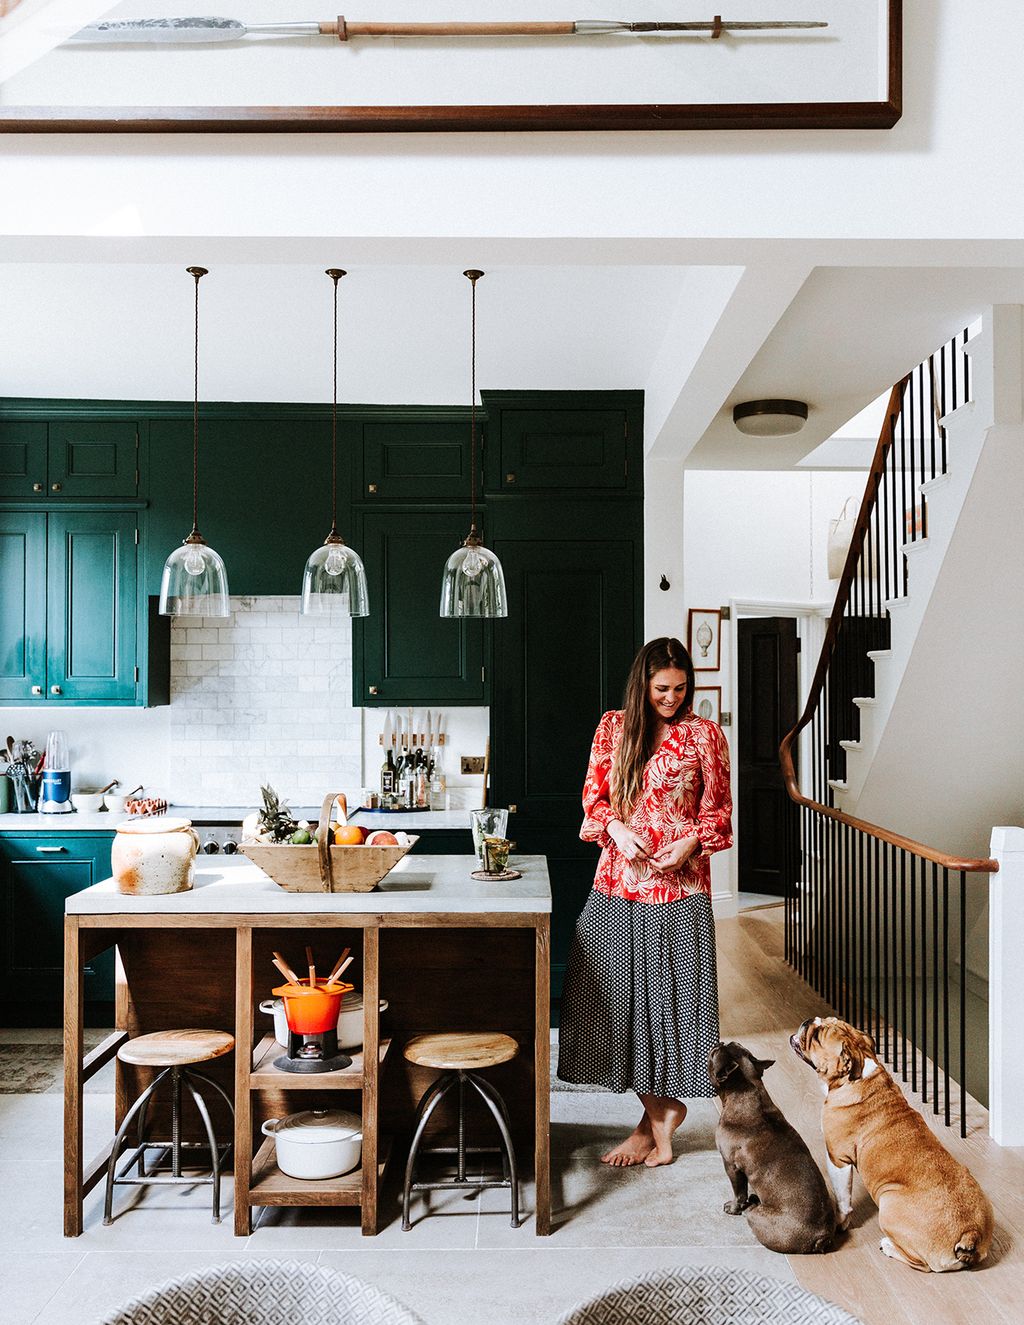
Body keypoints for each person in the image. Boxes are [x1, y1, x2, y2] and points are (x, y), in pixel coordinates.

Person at [556, 636, 733, 1167]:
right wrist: (617, 828)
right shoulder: (614, 727)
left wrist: (691, 841)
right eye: (662, 688)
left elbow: (720, 812)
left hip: (681, 891)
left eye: (680, 689)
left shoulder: (705, 735)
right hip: (617, 883)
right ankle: (657, 1115)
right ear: (643, 684)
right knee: (609, 1002)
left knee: (666, 1008)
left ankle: (656, 1121)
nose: (672, 698)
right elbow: (594, 799)